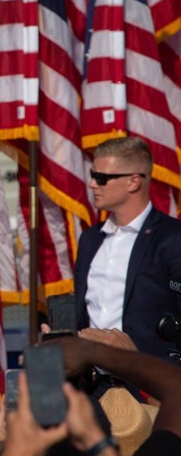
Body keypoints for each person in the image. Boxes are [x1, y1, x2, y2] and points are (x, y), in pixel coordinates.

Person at [74, 136, 181, 362]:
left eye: (101, 178)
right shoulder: (90, 239)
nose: (92, 184)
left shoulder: (172, 238)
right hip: (93, 383)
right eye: (93, 176)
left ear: (133, 182)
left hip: (148, 385)